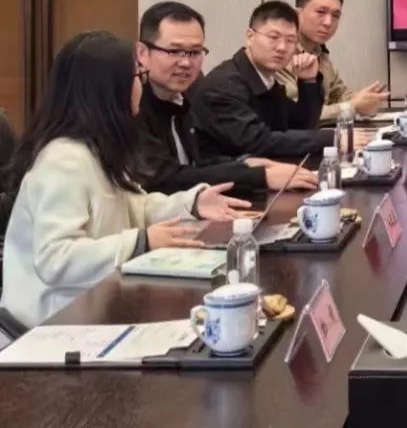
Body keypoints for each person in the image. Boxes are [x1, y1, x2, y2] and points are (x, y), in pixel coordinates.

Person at [0, 31, 251, 328]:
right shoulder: (63, 161)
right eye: (136, 77)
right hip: (50, 326)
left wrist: (192, 203)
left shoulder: (98, 148)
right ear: (109, 90)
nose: (140, 87)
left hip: (95, 307)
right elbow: (56, 259)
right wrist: (141, 241)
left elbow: (133, 207)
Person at [135, 1, 318, 194]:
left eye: (195, 52)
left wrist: (244, 164)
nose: (186, 63)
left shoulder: (187, 91)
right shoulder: (131, 105)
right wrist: (258, 176)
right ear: (142, 53)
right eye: (174, 51)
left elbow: (200, 161)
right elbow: (165, 180)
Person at [190, 1, 336, 162]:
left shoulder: (265, 79)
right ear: (250, 37)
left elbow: (299, 126)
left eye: (290, 40)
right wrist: (334, 137)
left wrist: (308, 81)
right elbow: (257, 142)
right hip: (226, 175)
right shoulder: (223, 85)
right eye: (273, 37)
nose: (282, 47)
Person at [276, 0, 389, 124]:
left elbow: (339, 95)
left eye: (335, 15)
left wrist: (365, 99)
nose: (328, 22)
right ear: (297, 14)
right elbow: (298, 114)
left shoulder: (320, 53)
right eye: (321, 12)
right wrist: (353, 106)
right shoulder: (279, 53)